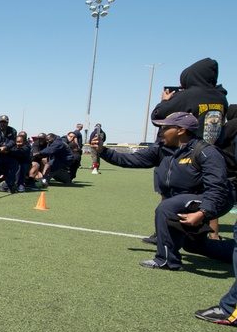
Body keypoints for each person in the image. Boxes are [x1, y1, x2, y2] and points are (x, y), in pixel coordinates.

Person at [93, 112, 234, 270]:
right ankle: (232, 252)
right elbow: (131, 160)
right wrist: (102, 151)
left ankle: (167, 260)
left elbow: (217, 189)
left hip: (213, 199)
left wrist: (202, 213)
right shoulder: (162, 149)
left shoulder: (206, 152)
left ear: (181, 130)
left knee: (166, 207)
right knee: (193, 246)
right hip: (186, 200)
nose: (160, 131)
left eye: (164, 127)